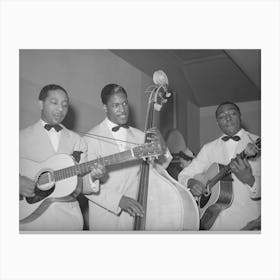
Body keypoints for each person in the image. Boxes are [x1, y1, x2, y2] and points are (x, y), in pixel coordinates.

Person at [83, 83, 172, 230]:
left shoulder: (140, 136)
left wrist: (162, 149)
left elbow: (156, 169)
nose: (123, 110)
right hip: (105, 218)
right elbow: (85, 184)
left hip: (136, 215)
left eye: (125, 103)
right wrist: (118, 200)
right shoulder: (90, 139)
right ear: (105, 107)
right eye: (116, 105)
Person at [19, 84, 105, 231]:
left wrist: (93, 177)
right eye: (54, 103)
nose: (60, 109)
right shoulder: (20, 137)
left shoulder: (77, 140)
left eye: (65, 105)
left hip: (68, 220)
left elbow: (81, 186)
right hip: (30, 220)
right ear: (41, 103)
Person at [178, 101, 261, 230]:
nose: (228, 118)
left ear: (240, 117)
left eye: (232, 113)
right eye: (222, 116)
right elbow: (184, 175)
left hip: (250, 223)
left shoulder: (257, 142)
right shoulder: (208, 148)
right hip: (215, 223)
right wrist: (191, 182)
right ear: (217, 123)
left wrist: (250, 180)